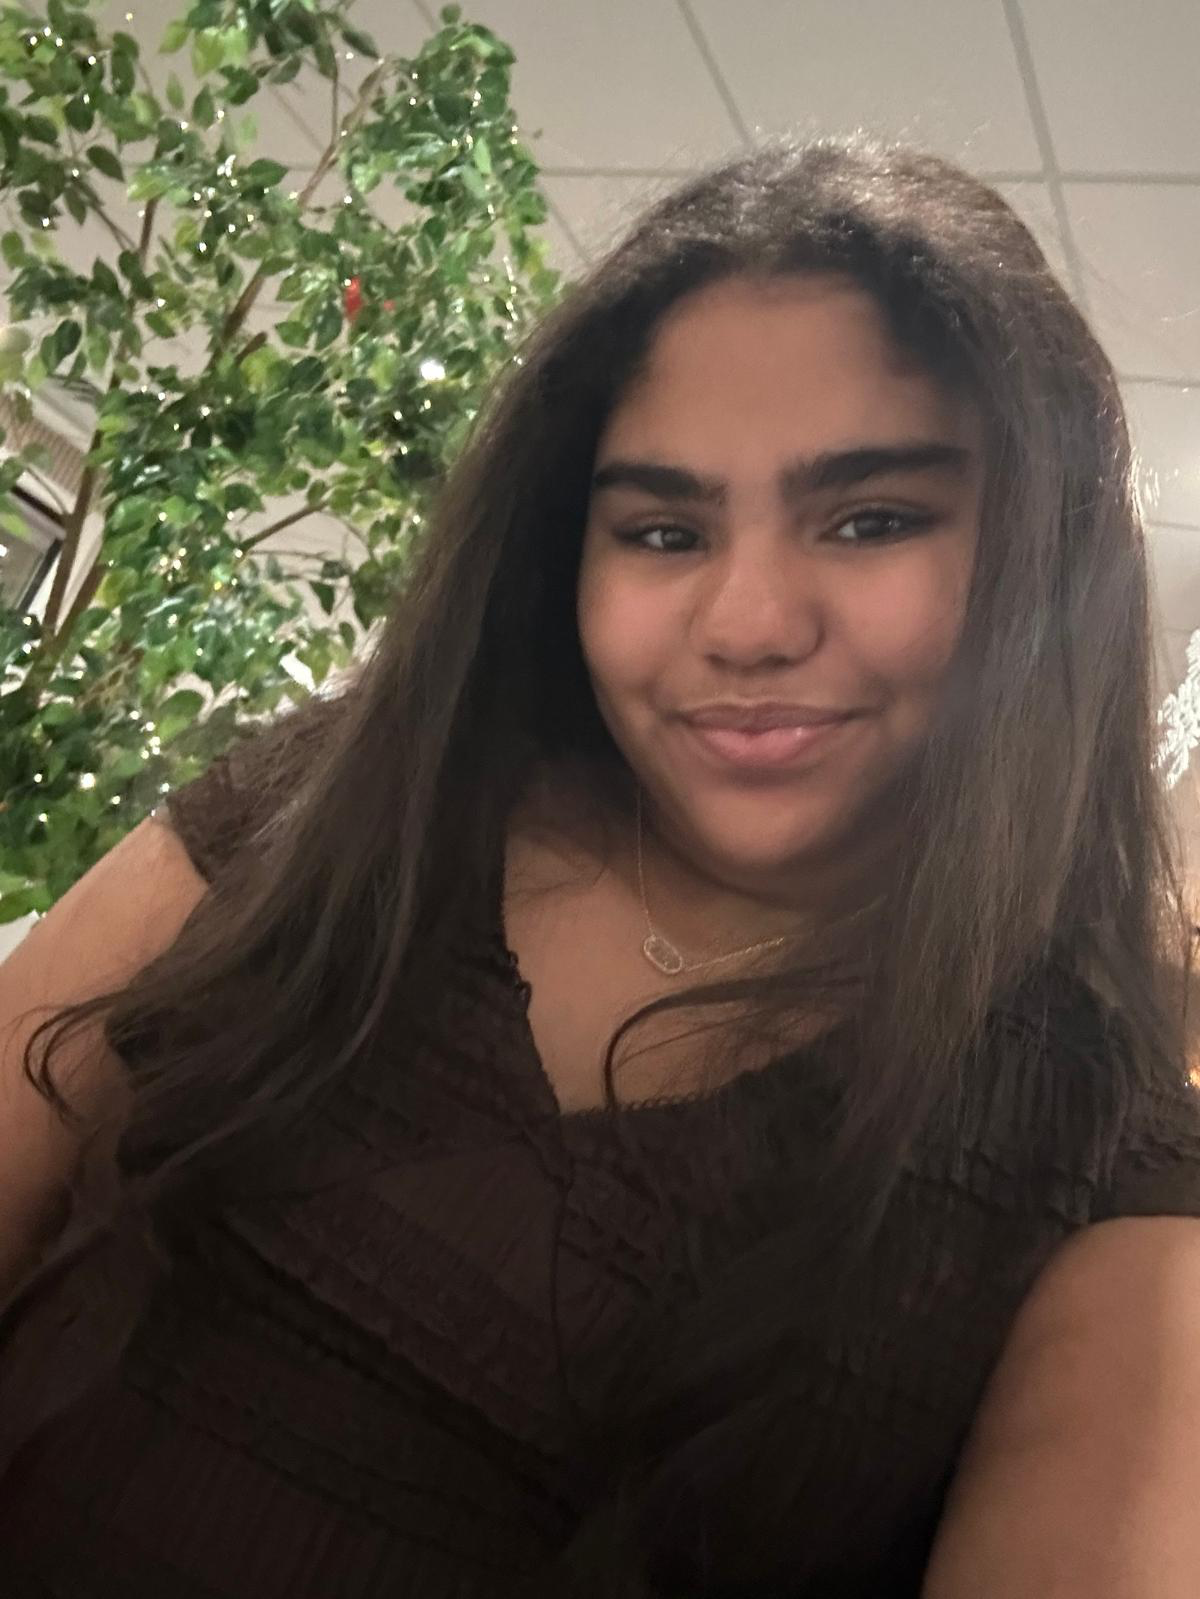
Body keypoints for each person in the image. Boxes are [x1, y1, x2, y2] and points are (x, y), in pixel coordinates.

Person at [1, 130, 1199, 1598]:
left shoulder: (1099, 1171)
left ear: (1038, 557)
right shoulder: (350, 795)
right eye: (662, 527)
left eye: (872, 518)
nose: (748, 619)